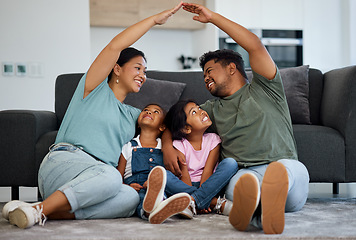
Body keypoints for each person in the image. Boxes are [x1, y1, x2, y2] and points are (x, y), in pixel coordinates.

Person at [2, 2, 184, 229]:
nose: (142, 75)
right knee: (112, 177)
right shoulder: (93, 88)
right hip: (65, 164)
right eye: (137, 68)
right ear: (117, 69)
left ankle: (36, 210)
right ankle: (40, 210)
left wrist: (167, 145)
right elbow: (114, 46)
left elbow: (160, 124)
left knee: (129, 198)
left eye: (145, 71)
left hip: (96, 183)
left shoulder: (134, 114)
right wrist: (154, 20)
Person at [162, 3, 310, 234]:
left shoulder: (266, 87)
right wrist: (167, 147)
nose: (205, 78)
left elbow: (254, 44)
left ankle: (262, 206)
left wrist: (212, 18)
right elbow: (177, 122)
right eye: (203, 75)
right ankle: (259, 213)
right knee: (237, 185)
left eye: (210, 71)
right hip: (246, 173)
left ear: (232, 68)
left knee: (290, 171)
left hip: (283, 167)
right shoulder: (210, 110)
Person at [117, 104, 191, 224]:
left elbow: (175, 173)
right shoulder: (128, 146)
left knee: (162, 190)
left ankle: (160, 205)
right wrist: (127, 187)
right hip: (137, 186)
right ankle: (153, 210)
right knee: (141, 197)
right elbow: (118, 177)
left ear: (162, 127)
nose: (149, 112)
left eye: (156, 111)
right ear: (138, 124)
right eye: (145, 110)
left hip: (160, 185)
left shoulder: (165, 147)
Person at [164, 99, 238, 216]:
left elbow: (208, 171)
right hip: (184, 186)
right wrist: (205, 198)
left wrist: (204, 195)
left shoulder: (213, 139)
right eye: (194, 112)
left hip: (210, 185)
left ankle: (192, 202)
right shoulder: (179, 144)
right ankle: (213, 203)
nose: (201, 111)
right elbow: (184, 174)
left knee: (230, 163)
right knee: (163, 175)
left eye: (199, 108)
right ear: (186, 128)